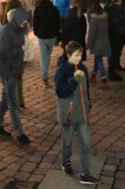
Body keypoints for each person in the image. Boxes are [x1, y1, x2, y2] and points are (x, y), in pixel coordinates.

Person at [55, 40, 98, 185]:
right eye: (76, 55)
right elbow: (61, 92)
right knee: (67, 141)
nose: (79, 58)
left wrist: (88, 103)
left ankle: (85, 173)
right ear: (68, 55)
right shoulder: (62, 71)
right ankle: (65, 161)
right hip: (69, 114)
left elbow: (86, 91)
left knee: (86, 142)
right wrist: (74, 80)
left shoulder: (83, 68)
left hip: (83, 113)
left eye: (80, 55)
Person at [0, 7, 31, 145]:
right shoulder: (7, 31)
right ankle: (19, 133)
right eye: (23, 21)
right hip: (7, 71)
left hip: (14, 71)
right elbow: (1, 53)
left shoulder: (19, 30)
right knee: (13, 102)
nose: (25, 24)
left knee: (5, 99)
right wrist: (20, 50)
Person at [32, 0, 60, 87]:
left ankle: (44, 75)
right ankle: (45, 72)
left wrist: (36, 32)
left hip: (41, 35)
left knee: (43, 55)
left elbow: (35, 22)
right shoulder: (54, 9)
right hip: (52, 35)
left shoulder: (38, 9)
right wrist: (57, 34)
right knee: (48, 54)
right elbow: (58, 23)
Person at [86, 2, 110, 88]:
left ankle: (104, 79)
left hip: (97, 43)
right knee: (97, 59)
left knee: (99, 61)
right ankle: (93, 75)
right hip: (105, 41)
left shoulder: (94, 19)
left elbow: (92, 33)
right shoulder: (105, 16)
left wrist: (89, 45)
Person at [106, 0, 125, 80]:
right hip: (113, 35)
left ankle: (117, 65)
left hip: (120, 34)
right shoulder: (110, 9)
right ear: (119, 0)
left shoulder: (121, 8)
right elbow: (112, 24)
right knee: (113, 54)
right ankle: (112, 72)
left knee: (118, 51)